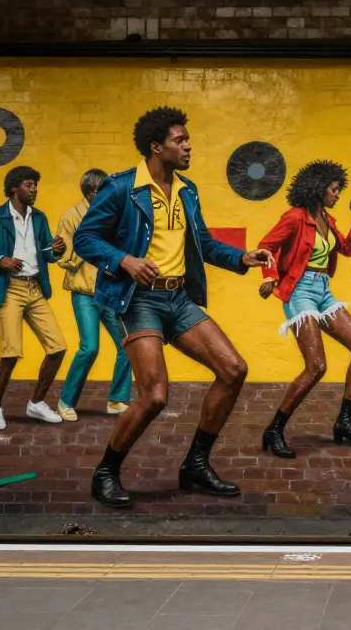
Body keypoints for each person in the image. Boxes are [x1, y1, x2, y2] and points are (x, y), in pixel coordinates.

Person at [72, 106, 273, 510]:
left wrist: (242, 258)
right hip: (138, 299)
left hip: (178, 298)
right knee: (155, 396)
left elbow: (202, 243)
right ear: (156, 146)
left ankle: (196, 465)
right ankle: (106, 471)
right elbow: (85, 239)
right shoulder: (121, 188)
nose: (188, 146)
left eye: (186, 139)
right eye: (180, 140)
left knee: (233, 370)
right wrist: (124, 260)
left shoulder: (187, 190)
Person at [256, 160, 351, 458]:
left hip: (323, 290)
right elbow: (266, 246)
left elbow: (346, 249)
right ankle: (275, 428)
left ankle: (344, 422)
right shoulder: (295, 217)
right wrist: (270, 277)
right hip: (300, 292)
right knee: (317, 366)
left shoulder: (328, 218)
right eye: (334, 189)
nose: (337, 194)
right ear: (319, 188)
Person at [0, 166, 69, 430]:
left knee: (58, 348)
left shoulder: (39, 218)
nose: (34, 189)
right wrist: (0, 260)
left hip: (35, 288)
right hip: (9, 288)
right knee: (10, 353)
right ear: (14, 188)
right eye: (29, 184)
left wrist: (56, 250)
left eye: (35, 185)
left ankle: (36, 403)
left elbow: (47, 253)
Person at [55, 169, 133, 421]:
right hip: (84, 294)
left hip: (109, 291)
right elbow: (64, 259)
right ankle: (66, 401)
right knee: (89, 348)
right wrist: (89, 242)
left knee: (128, 345)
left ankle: (117, 399)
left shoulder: (112, 215)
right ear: (92, 193)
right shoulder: (70, 217)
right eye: (105, 191)